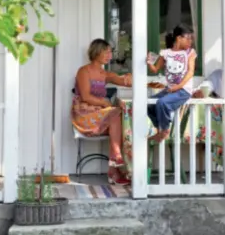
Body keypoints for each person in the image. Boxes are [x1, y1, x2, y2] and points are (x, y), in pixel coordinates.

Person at [71, 39, 132, 185]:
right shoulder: (83, 71)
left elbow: (123, 81)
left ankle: (114, 164)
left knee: (120, 116)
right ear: (97, 52)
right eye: (107, 51)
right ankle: (115, 166)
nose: (110, 55)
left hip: (101, 116)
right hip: (84, 114)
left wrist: (130, 77)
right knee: (116, 114)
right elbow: (85, 96)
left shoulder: (105, 74)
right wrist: (104, 102)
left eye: (110, 52)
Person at [147, 24, 196, 143]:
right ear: (179, 38)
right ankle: (160, 128)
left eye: (191, 38)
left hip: (183, 90)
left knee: (162, 103)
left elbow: (190, 73)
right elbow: (154, 69)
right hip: (170, 89)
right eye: (188, 38)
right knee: (148, 104)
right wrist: (148, 61)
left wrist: (178, 87)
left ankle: (164, 130)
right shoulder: (166, 53)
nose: (190, 41)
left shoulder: (190, 53)